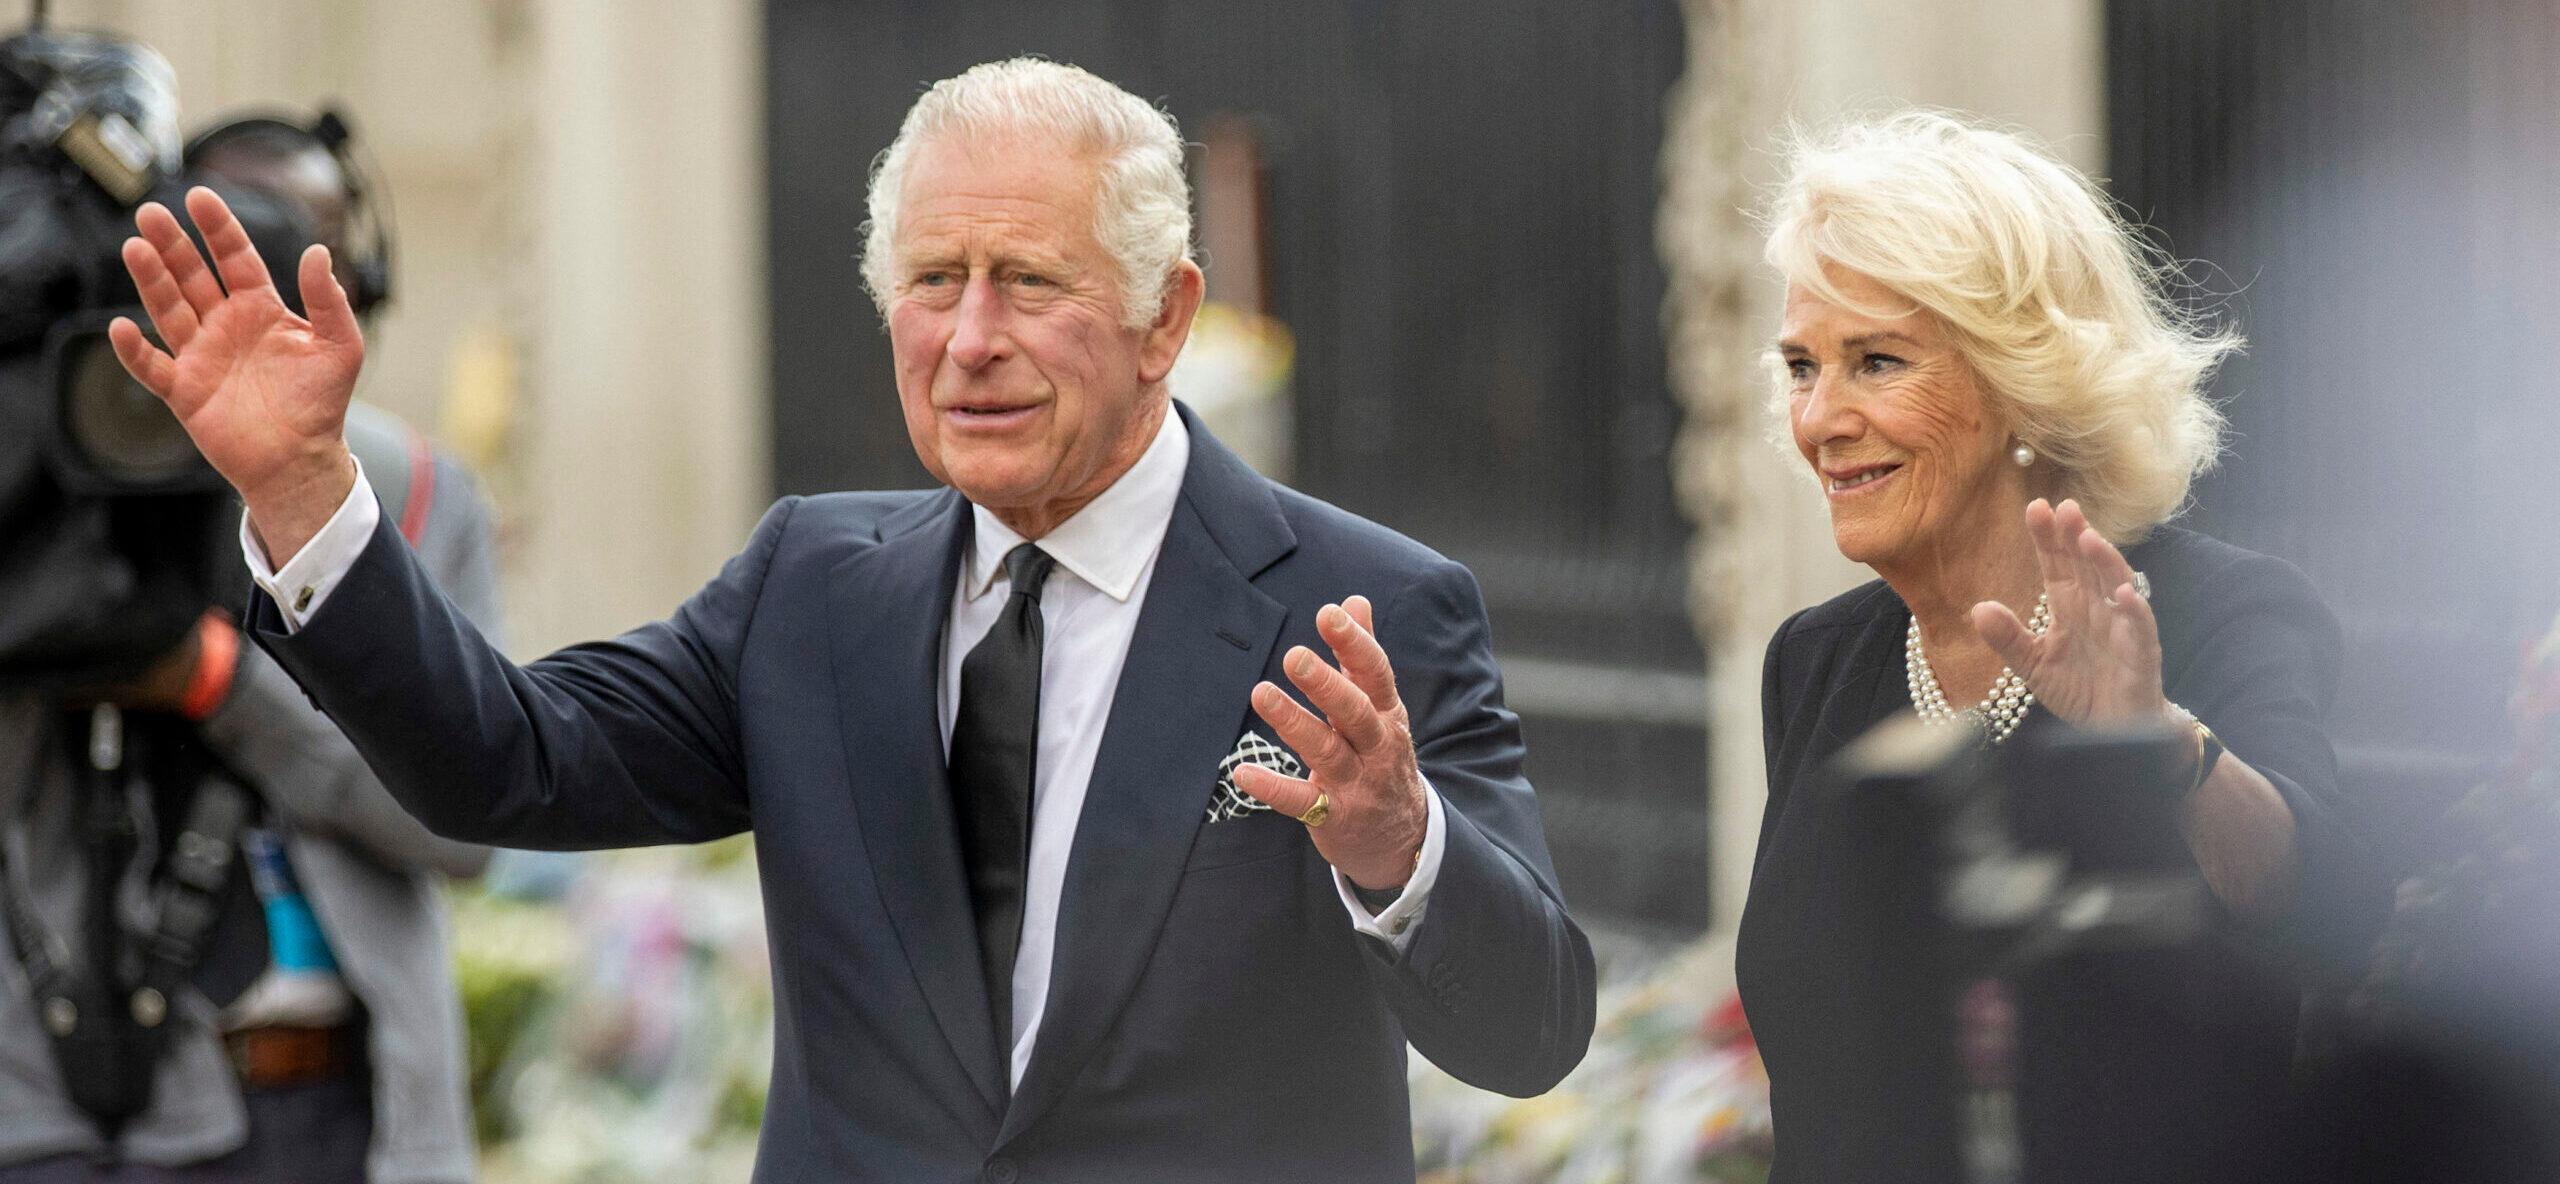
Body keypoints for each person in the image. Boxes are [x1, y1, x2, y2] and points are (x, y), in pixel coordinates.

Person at [108, 58, 1595, 1183]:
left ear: (1165, 317)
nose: (969, 341)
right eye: (932, 282)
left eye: (1028, 282)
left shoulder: (1366, 612)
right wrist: (305, 489)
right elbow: (509, 762)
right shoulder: (812, 589)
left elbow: (1530, 1031)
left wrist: (1398, 851)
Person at [1734, 112, 2385, 1181]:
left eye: (1876, 361)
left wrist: (2157, 740)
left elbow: (2332, 912)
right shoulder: (1815, 661)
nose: (1819, 417)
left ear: (2017, 378)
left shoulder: (2217, 612)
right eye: (1802, 365)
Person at [2, 116, 498, 1184]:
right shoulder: (53, 498)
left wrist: (219, 680)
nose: (273, 323)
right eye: (223, 278)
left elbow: (466, 821)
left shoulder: (420, 492)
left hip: (355, 1098)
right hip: (101, 1102)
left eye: (311, 278)